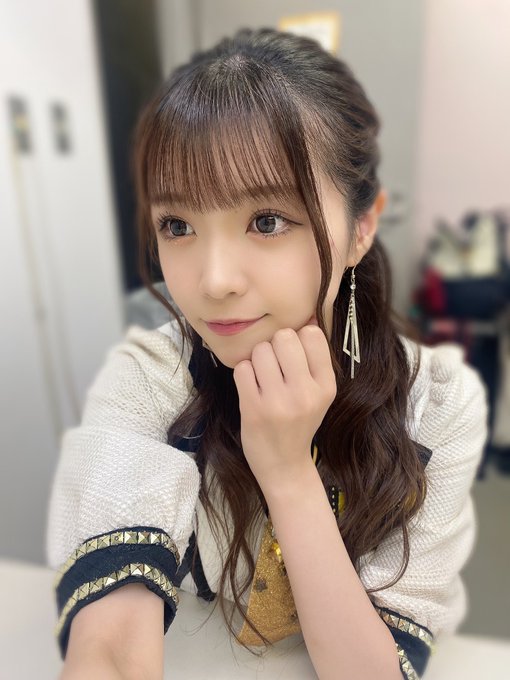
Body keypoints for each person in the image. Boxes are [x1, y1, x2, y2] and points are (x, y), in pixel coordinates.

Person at [46, 28, 487, 680]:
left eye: (267, 221)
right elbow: (108, 645)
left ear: (361, 228)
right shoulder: (151, 376)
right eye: (178, 225)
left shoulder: (437, 404)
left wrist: (286, 470)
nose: (214, 280)